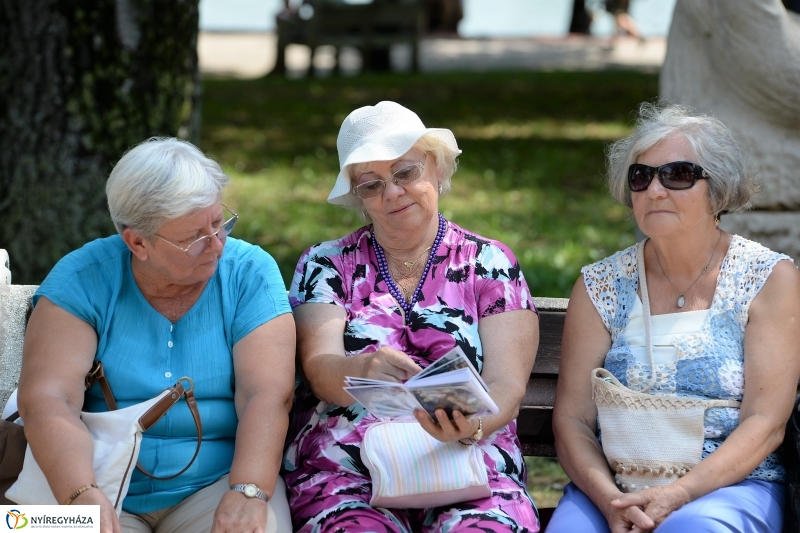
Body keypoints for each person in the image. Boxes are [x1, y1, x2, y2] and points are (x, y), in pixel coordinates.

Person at [283, 101, 541, 532]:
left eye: (406, 173)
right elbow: (319, 370)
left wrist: (469, 426)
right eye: (372, 184)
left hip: (469, 466)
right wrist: (357, 368)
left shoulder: (489, 263)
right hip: (350, 474)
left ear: (437, 168)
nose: (393, 193)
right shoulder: (326, 265)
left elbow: (507, 388)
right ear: (357, 196)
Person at [16, 138, 295, 533]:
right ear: (138, 242)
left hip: (218, 483)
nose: (216, 244)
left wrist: (248, 490)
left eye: (219, 223)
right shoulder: (82, 279)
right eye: (194, 237)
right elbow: (48, 400)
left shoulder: (249, 272)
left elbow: (266, 394)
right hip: (91, 480)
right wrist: (79, 496)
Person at [547, 103, 800, 532]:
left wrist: (677, 495)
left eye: (678, 175)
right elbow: (572, 419)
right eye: (641, 177)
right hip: (615, 487)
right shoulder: (600, 285)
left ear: (717, 192)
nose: (655, 191)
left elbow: (766, 422)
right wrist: (611, 501)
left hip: (730, 487)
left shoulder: (768, 279)